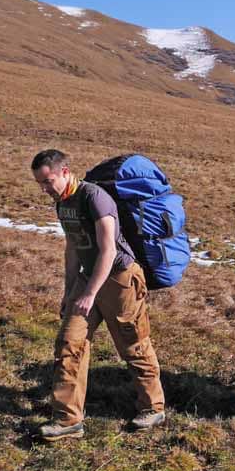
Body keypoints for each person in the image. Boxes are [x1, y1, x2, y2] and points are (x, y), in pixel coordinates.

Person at [31, 149, 165, 440]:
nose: (45, 189)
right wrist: (70, 292)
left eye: (48, 180)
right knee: (69, 342)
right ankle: (68, 420)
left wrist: (90, 293)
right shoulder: (62, 203)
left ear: (65, 172)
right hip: (87, 280)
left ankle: (152, 407)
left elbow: (109, 251)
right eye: (40, 183)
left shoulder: (95, 198)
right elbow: (73, 249)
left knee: (133, 344)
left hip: (120, 279)